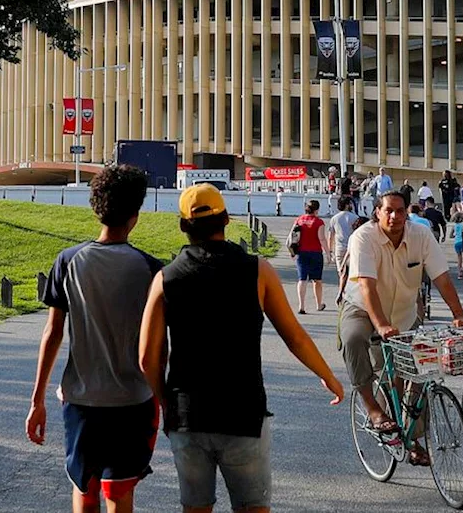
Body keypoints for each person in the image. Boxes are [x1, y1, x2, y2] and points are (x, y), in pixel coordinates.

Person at [138, 183, 344, 513]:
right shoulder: (258, 271)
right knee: (253, 508)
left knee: (195, 508)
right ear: (227, 220)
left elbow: (147, 357)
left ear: (182, 226)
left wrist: (166, 402)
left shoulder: (166, 279)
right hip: (244, 413)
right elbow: (294, 336)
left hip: (188, 414)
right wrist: (328, 375)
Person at [26, 165, 162, 513]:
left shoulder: (68, 261)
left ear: (95, 208)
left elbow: (52, 332)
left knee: (84, 491)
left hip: (82, 399)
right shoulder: (150, 269)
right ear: (135, 215)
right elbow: (159, 345)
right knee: (118, 495)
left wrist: (37, 399)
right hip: (134, 400)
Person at [340, 191, 463, 467]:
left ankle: (412, 438)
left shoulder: (421, 236)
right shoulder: (363, 237)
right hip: (364, 308)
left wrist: (459, 315)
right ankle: (373, 409)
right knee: (353, 339)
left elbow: (441, 277)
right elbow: (366, 285)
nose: (394, 216)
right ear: (377, 212)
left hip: (404, 314)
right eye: (388, 210)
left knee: (417, 371)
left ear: (407, 214)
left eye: (400, 211)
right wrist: (381, 325)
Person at [293, 200, 331, 314]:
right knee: (317, 280)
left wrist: (292, 250)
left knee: (302, 279)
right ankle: (319, 304)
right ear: (316, 210)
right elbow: (322, 239)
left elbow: (294, 236)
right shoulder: (319, 222)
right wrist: (328, 253)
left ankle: (301, 305)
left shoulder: (299, 220)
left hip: (301, 253)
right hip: (315, 253)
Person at [328, 195, 361, 306]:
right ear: (348, 205)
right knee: (351, 273)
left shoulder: (334, 218)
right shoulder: (355, 217)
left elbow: (331, 236)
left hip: (339, 248)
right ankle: (345, 293)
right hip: (352, 248)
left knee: (341, 272)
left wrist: (330, 251)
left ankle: (342, 292)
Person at [451, 212, 463, 279]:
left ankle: (459, 273)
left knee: (459, 258)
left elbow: (451, 235)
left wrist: (455, 235)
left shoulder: (454, 226)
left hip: (456, 242)